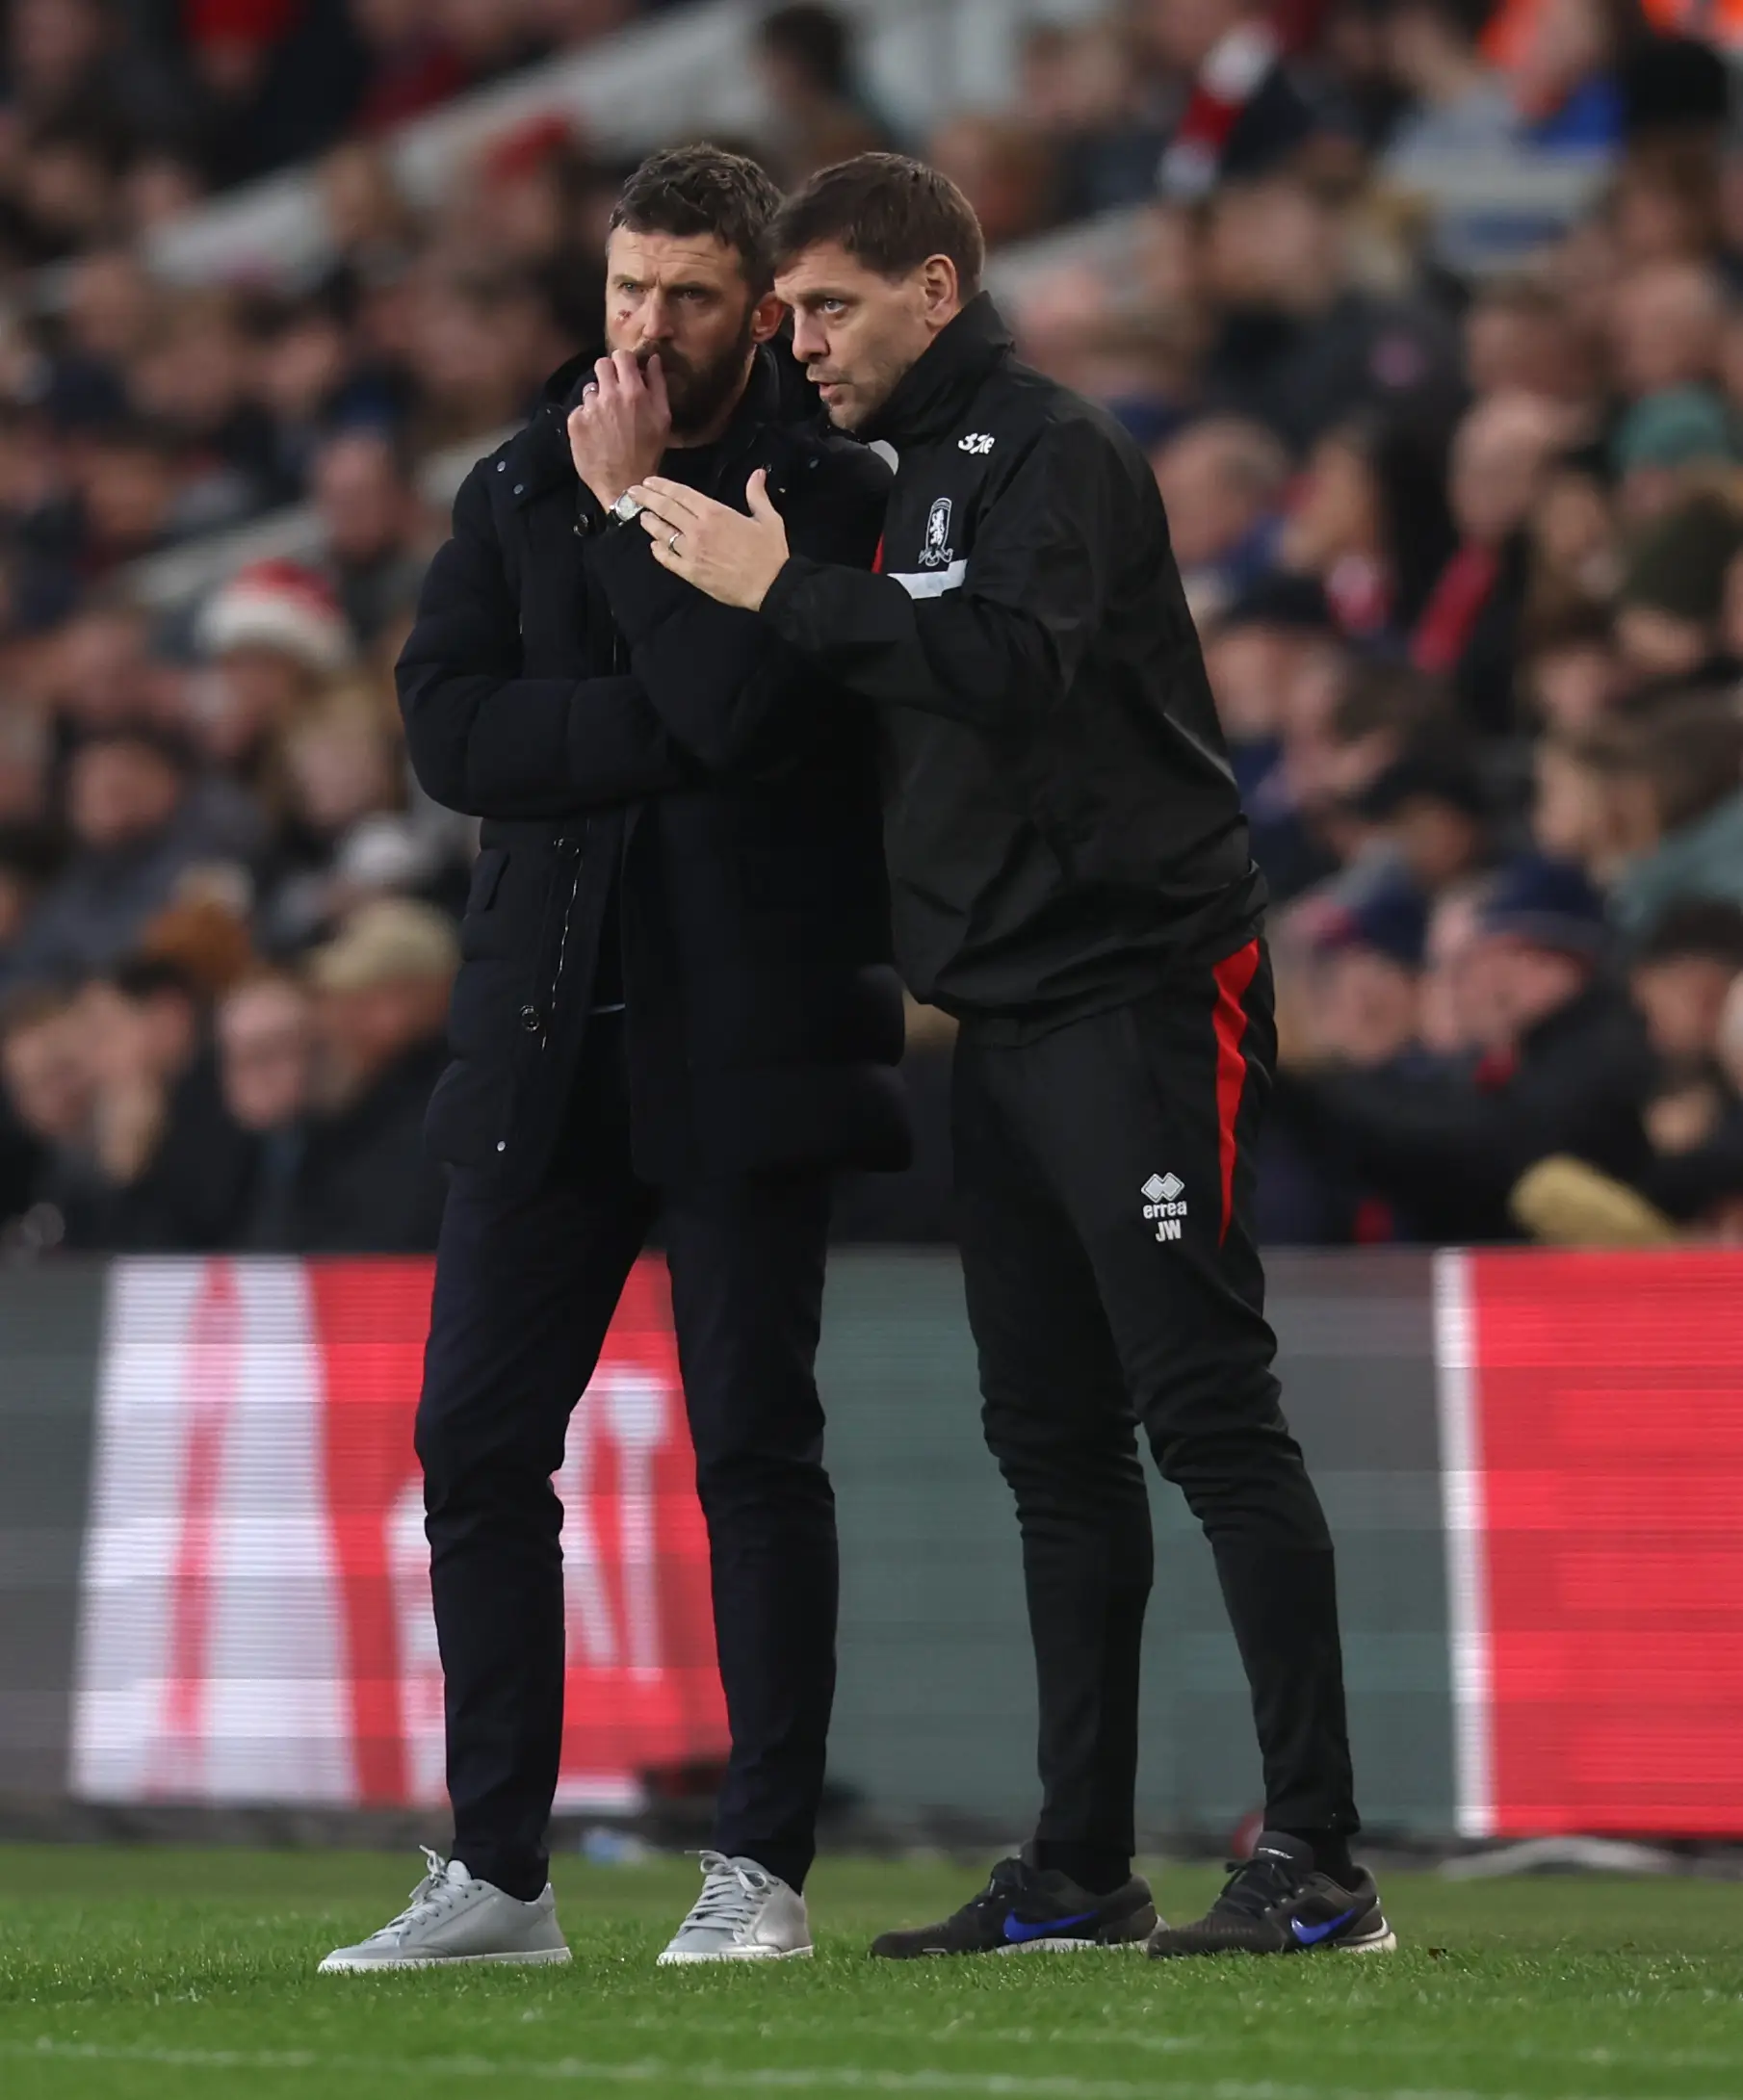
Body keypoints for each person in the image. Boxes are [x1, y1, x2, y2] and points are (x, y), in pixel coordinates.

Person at [628, 152, 1386, 1961]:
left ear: (933, 293)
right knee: (1050, 1445)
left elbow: (1020, 666)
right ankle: (1078, 1866)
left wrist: (776, 588)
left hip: (1137, 986)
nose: (794, 341)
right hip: (1002, 1014)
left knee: (1207, 1412)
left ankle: (1321, 1865)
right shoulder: (905, 483)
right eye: (788, 310)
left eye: (824, 306)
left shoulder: (1050, 453)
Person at [319, 144, 905, 1976]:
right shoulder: (514, 479)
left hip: (748, 1041)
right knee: (476, 1444)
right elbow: (449, 731)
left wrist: (637, 513)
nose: (646, 327)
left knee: (755, 1450)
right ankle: (496, 1872)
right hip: (544, 1044)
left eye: (689, 297)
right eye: (624, 289)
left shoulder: (825, 484)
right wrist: (654, 712)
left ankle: (762, 1874)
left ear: (757, 305)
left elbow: (757, 709)